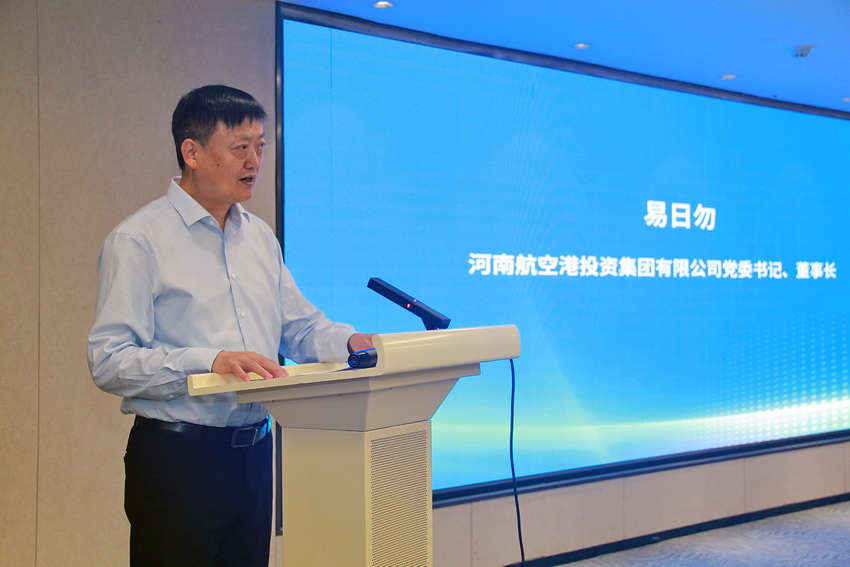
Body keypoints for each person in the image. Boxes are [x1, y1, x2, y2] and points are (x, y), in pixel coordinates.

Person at [88, 84, 374, 567]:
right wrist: (210, 362)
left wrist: (353, 342)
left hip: (255, 455)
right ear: (192, 152)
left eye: (260, 146)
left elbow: (299, 329)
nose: (254, 161)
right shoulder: (138, 240)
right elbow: (109, 360)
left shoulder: (259, 236)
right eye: (241, 147)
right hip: (178, 460)